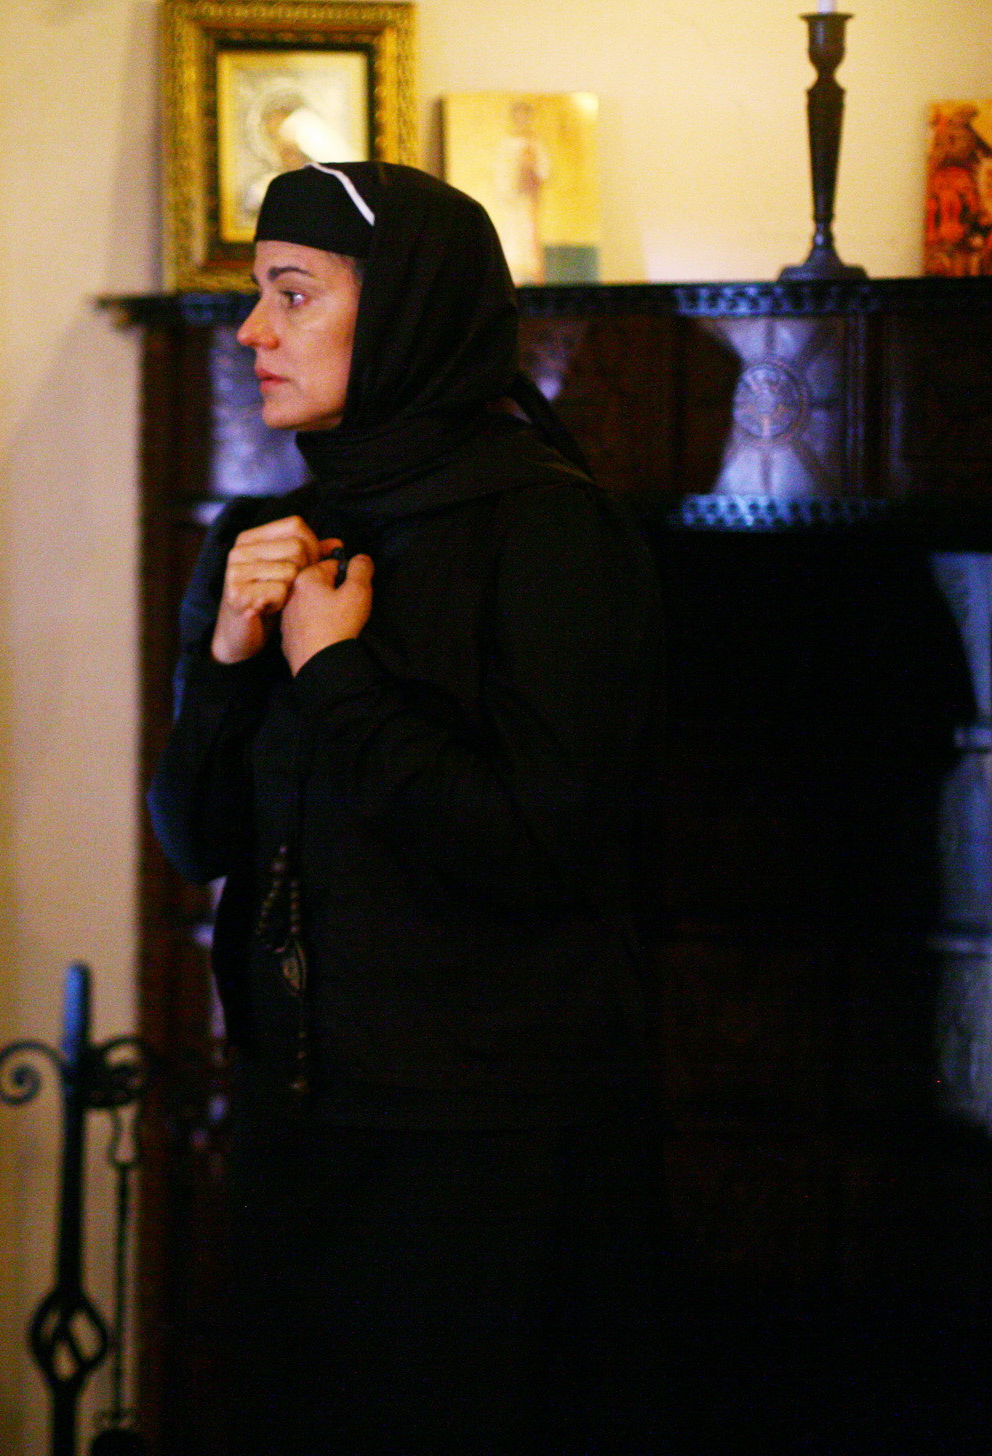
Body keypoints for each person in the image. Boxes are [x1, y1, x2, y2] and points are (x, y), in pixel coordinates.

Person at [147, 162, 667, 1454]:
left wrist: (336, 674)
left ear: (407, 311)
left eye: (293, 295)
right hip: (294, 1119)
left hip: (482, 1147)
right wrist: (227, 658)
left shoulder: (549, 531)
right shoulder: (269, 533)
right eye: (257, 295)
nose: (252, 332)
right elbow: (193, 838)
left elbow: (536, 848)